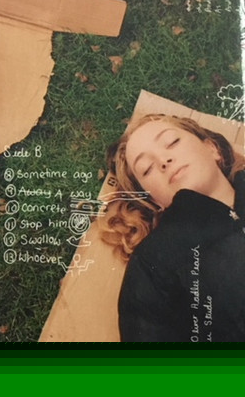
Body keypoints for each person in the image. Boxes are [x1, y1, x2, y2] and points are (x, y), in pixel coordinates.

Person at [102, 113, 245, 342]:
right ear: (155, 200)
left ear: (212, 149)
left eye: (172, 142)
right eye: (147, 169)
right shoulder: (150, 263)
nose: (163, 160)